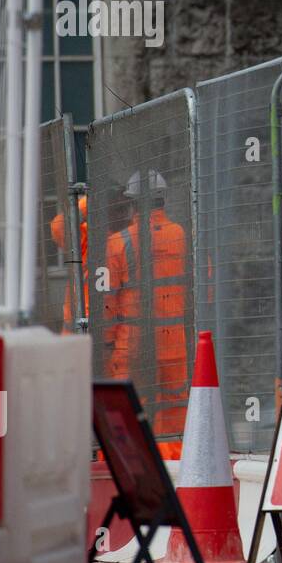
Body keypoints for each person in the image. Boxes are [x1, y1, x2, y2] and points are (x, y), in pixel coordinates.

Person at [103, 170, 189, 460]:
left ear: (132, 204)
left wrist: (106, 343)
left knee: (134, 414)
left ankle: (138, 475)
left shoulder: (118, 243)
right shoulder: (182, 236)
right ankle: (176, 472)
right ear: (162, 200)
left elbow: (108, 302)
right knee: (177, 415)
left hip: (134, 346)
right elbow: (204, 288)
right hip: (177, 344)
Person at [49, 195, 88, 332]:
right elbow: (59, 227)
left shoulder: (129, 238)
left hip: (113, 337)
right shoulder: (85, 235)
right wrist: (88, 204)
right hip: (78, 327)